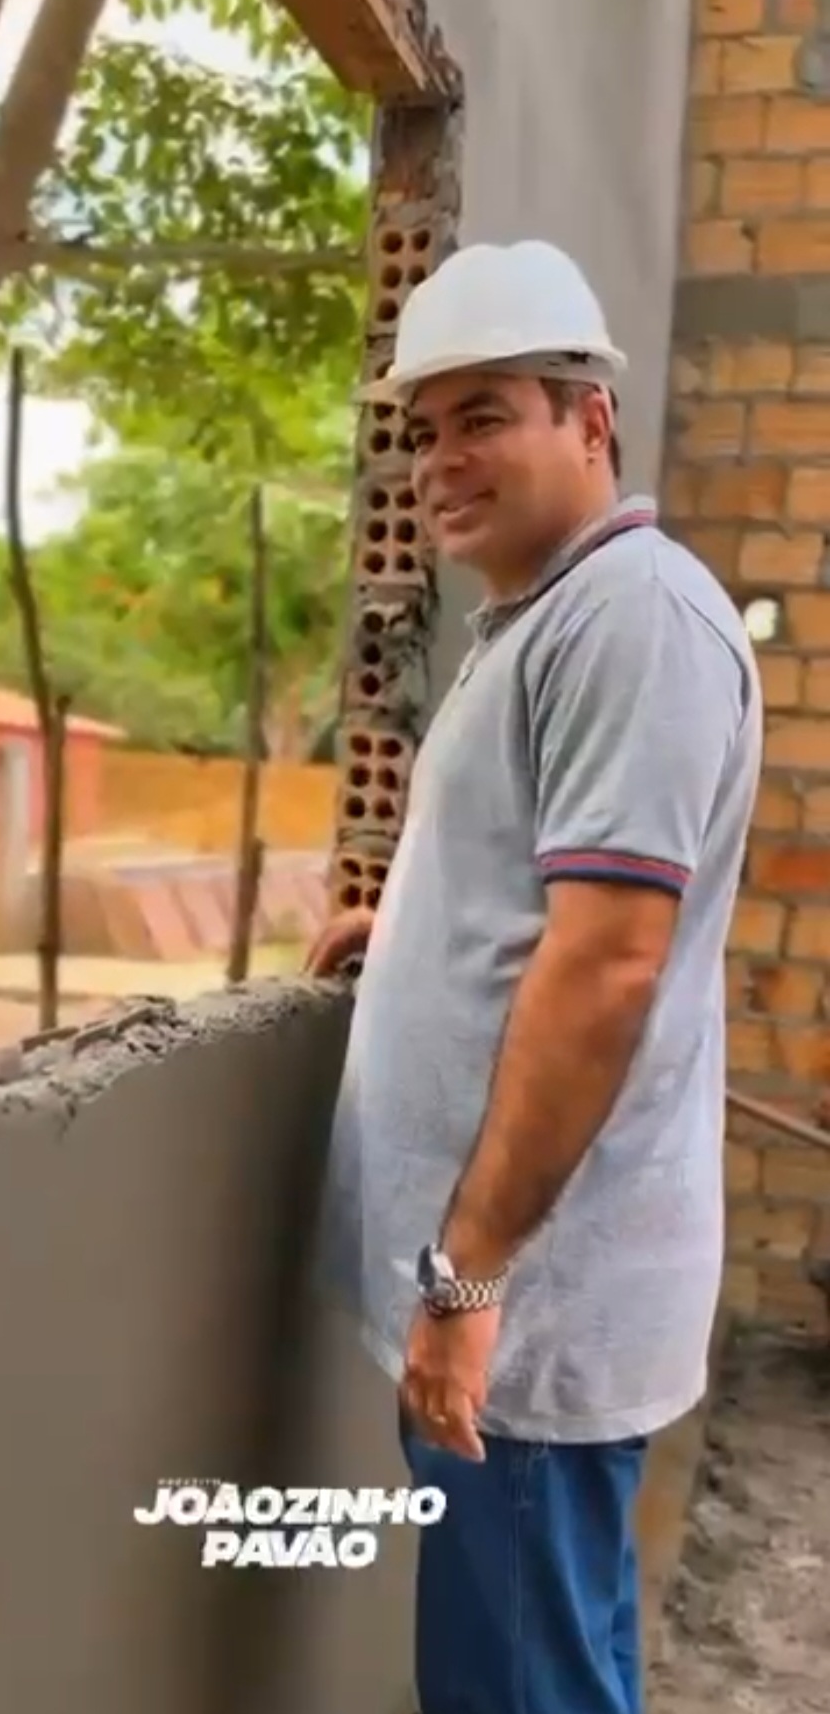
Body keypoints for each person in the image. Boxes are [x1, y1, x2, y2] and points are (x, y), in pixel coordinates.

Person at [307, 239, 762, 1714]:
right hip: (519, 1309)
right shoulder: (546, 621)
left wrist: (467, 1279)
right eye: (425, 429)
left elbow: (610, 963)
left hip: (528, 1318)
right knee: (557, 1666)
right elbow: (555, 897)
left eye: (486, 413)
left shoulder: (631, 619)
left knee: (516, 1686)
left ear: (590, 420)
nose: (442, 460)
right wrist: (417, 932)